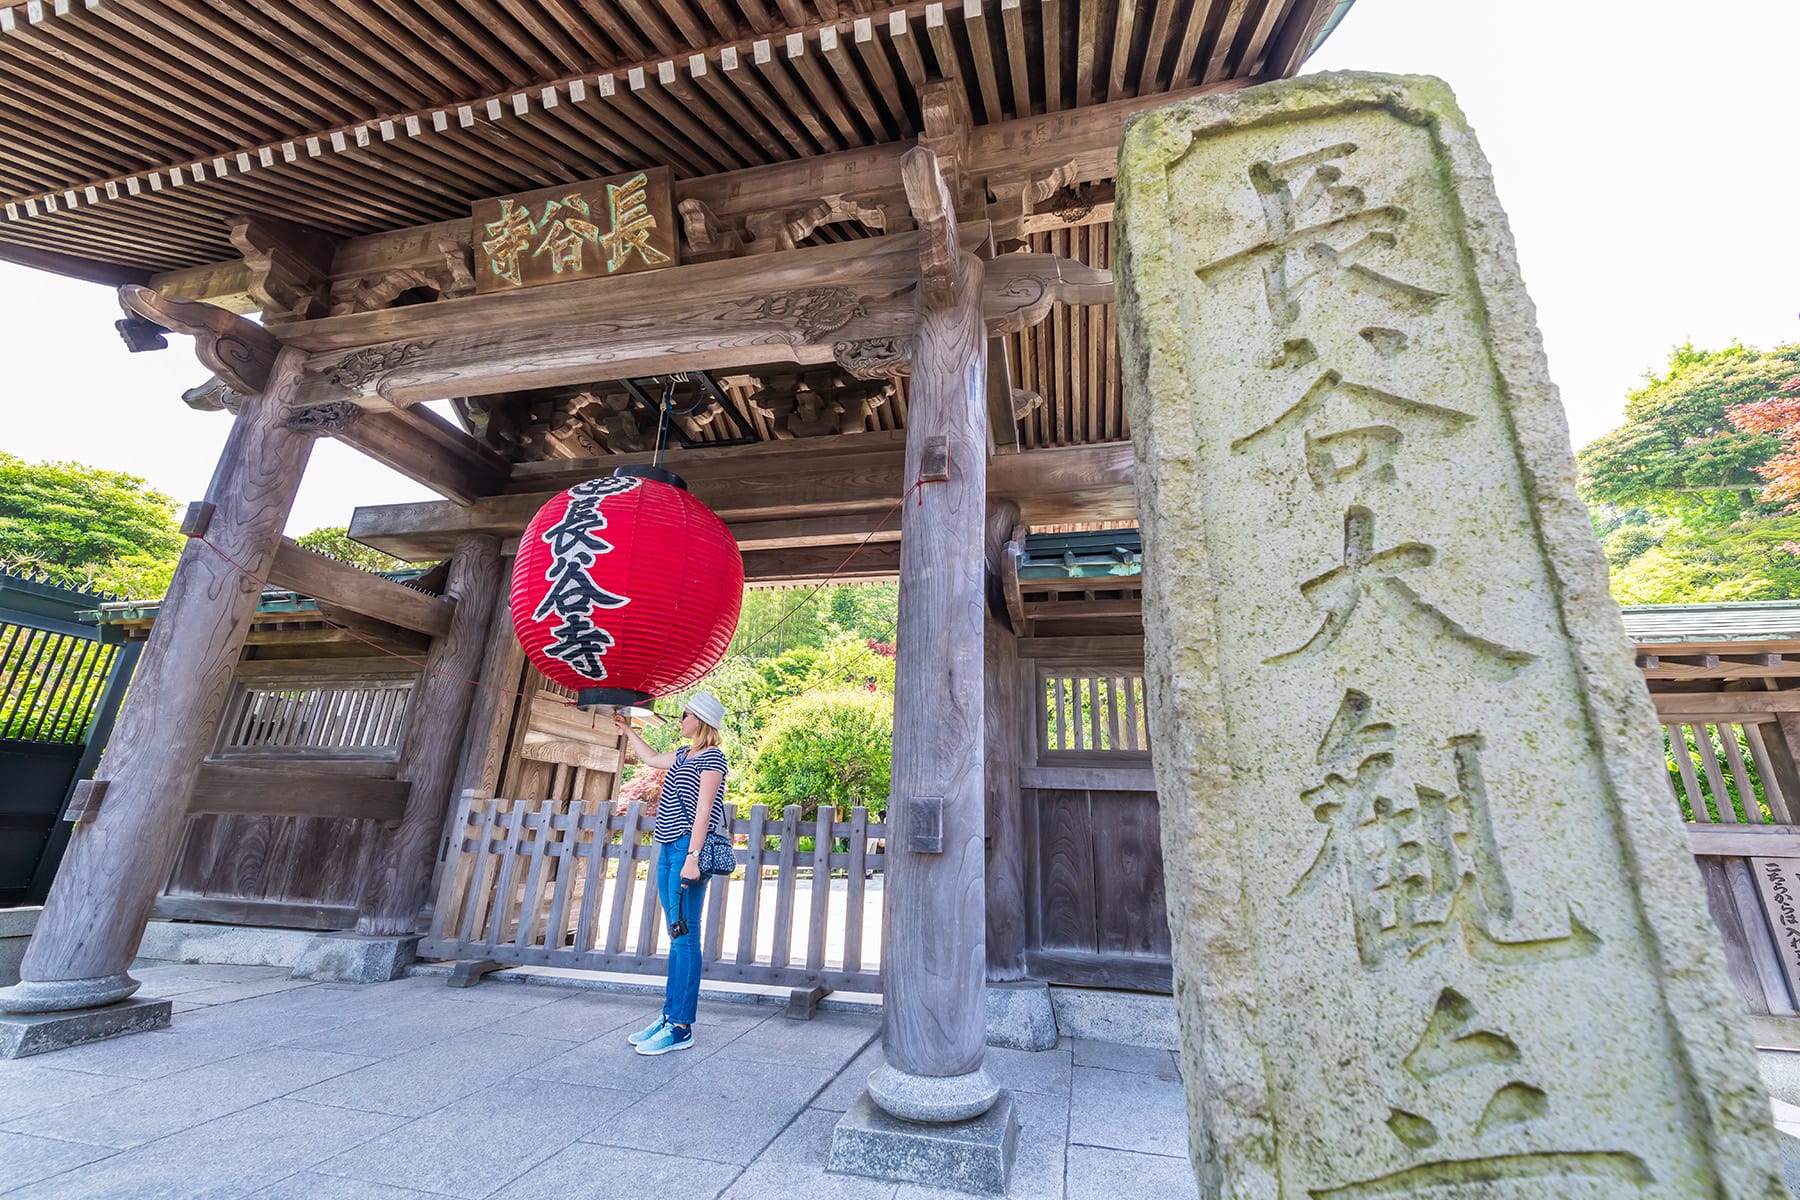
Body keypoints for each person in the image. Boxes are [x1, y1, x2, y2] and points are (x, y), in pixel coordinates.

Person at [612, 691, 728, 1056]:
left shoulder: (712, 758)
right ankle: (668, 1016)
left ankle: (681, 1026)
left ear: (701, 722)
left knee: (685, 936)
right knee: (676, 934)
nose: (680, 721)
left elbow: (704, 811)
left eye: (685, 716)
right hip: (667, 847)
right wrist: (627, 730)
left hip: (686, 851)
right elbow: (649, 758)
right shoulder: (682, 755)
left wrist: (693, 857)